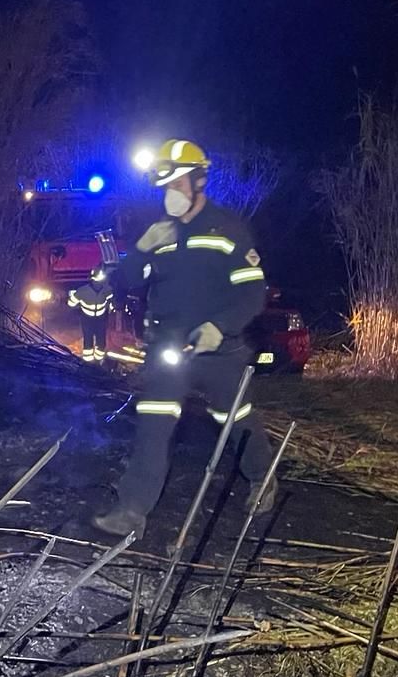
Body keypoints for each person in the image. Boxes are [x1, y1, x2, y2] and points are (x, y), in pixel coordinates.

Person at [92, 139, 275, 536]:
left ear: (199, 180)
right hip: (166, 348)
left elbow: (253, 293)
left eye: (177, 184)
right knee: (153, 426)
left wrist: (220, 327)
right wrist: (140, 250)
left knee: (236, 420)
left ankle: (262, 478)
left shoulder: (228, 229)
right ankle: (132, 509)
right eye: (165, 187)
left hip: (220, 350)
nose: (170, 194)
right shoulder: (158, 232)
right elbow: (126, 283)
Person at [67, 268, 115, 364]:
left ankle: (98, 360)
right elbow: (71, 303)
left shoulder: (107, 290)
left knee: (99, 340)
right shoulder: (83, 291)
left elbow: (111, 301)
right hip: (88, 319)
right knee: (89, 340)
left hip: (100, 318)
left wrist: (110, 308)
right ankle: (89, 362)